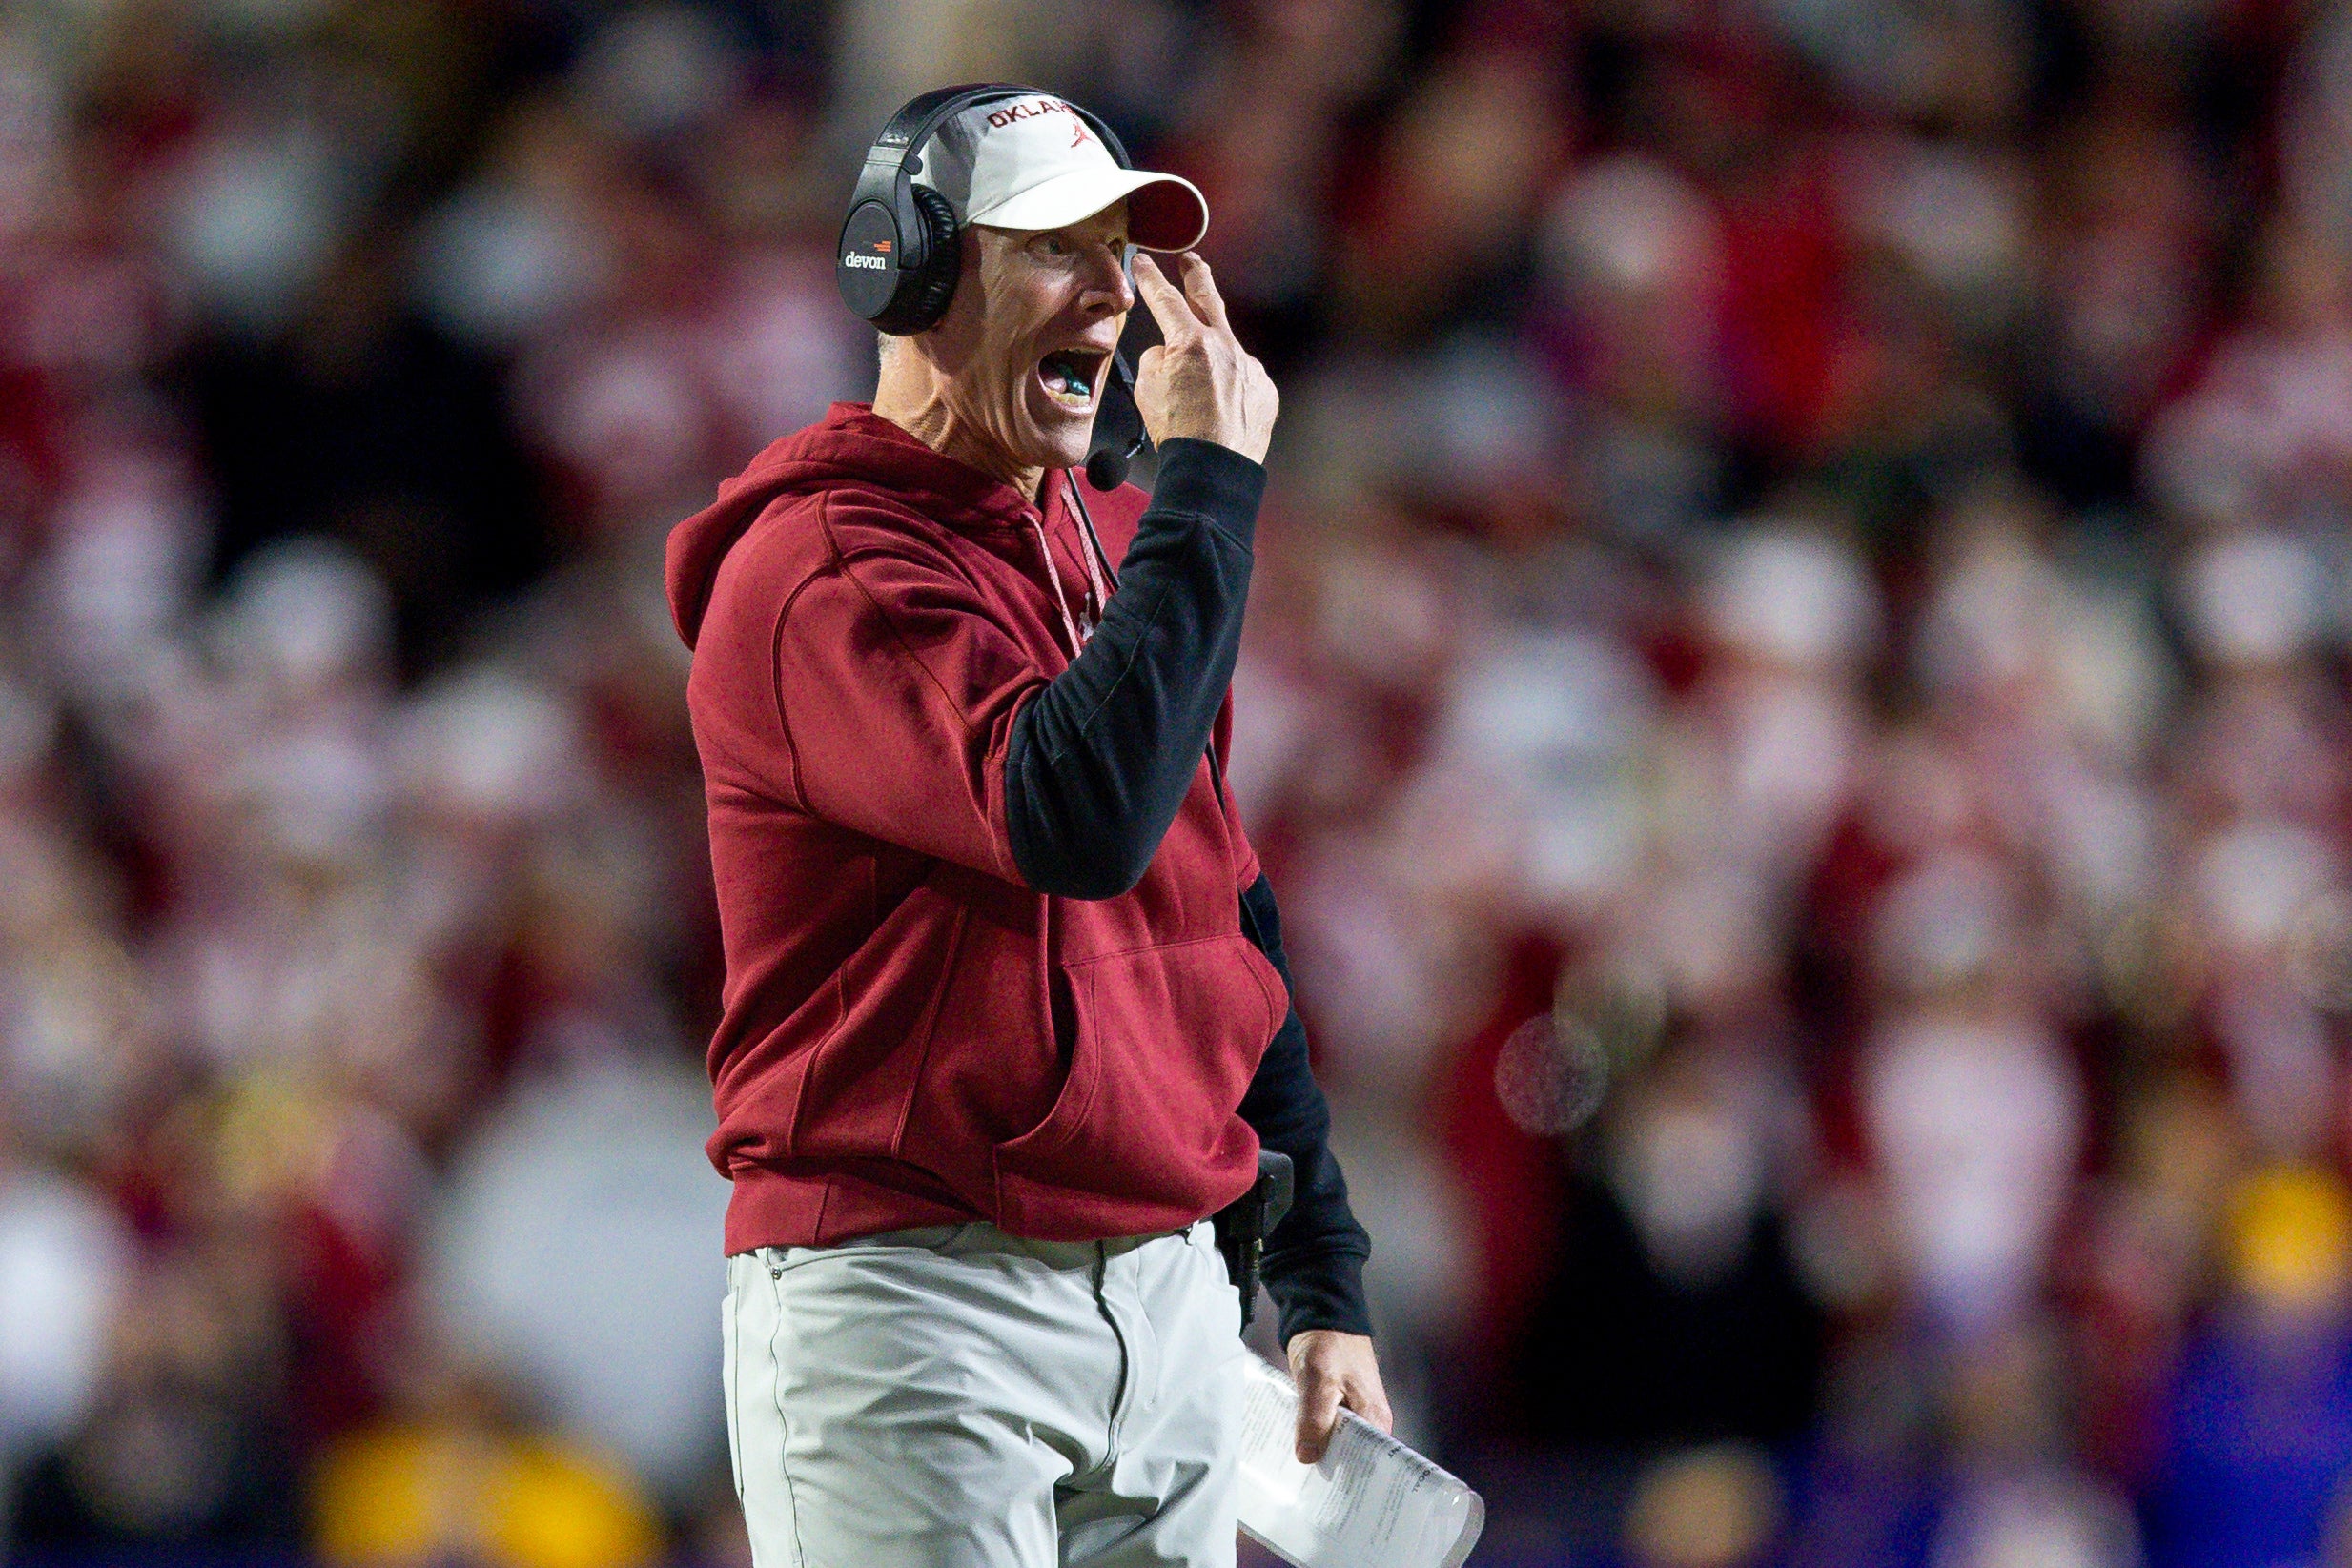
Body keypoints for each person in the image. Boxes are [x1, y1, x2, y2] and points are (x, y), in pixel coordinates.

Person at [664, 87, 1390, 1567]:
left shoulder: (1097, 544)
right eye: (1059, 245)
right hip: (920, 1308)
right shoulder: (821, 566)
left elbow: (1214, 903)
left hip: (1171, 1292)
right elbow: (1078, 818)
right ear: (910, 269)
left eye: (1124, 249)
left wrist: (1319, 1267)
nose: (1116, 291)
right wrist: (1207, 492)